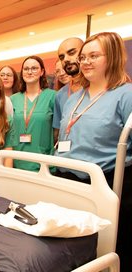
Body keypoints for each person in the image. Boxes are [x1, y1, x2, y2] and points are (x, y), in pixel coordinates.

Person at [54, 32, 132, 270]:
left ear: (114, 57)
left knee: (105, 249)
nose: (85, 62)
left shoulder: (125, 95)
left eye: (94, 56)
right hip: (68, 181)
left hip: (106, 183)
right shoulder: (73, 98)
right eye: (84, 57)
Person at [10, 56, 55, 171]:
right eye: (26, 69)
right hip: (17, 161)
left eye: (34, 68)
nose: (29, 72)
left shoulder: (52, 96)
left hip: (43, 163)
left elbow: (58, 131)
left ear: (42, 72)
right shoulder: (13, 99)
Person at [52, 37, 84, 143]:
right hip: (65, 154)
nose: (65, 59)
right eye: (61, 57)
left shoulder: (100, 90)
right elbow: (57, 131)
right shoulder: (60, 95)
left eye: (71, 53)